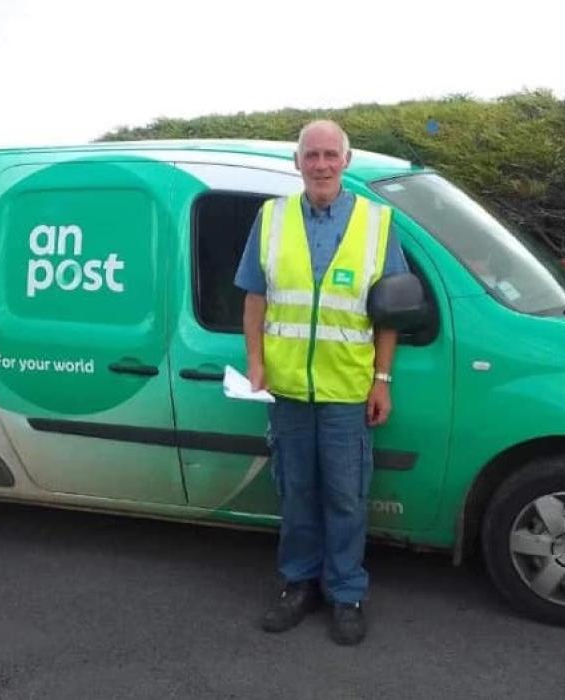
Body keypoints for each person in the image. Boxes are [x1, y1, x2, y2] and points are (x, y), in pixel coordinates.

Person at [233, 119, 409, 646]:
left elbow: (390, 313)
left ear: (346, 162)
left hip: (346, 393)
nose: (322, 165)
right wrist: (256, 362)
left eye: (331, 155)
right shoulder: (271, 218)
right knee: (296, 495)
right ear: (297, 162)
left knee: (346, 499)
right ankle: (297, 586)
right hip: (287, 390)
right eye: (312, 156)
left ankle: (347, 593)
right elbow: (255, 299)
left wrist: (381, 380)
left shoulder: (378, 224)